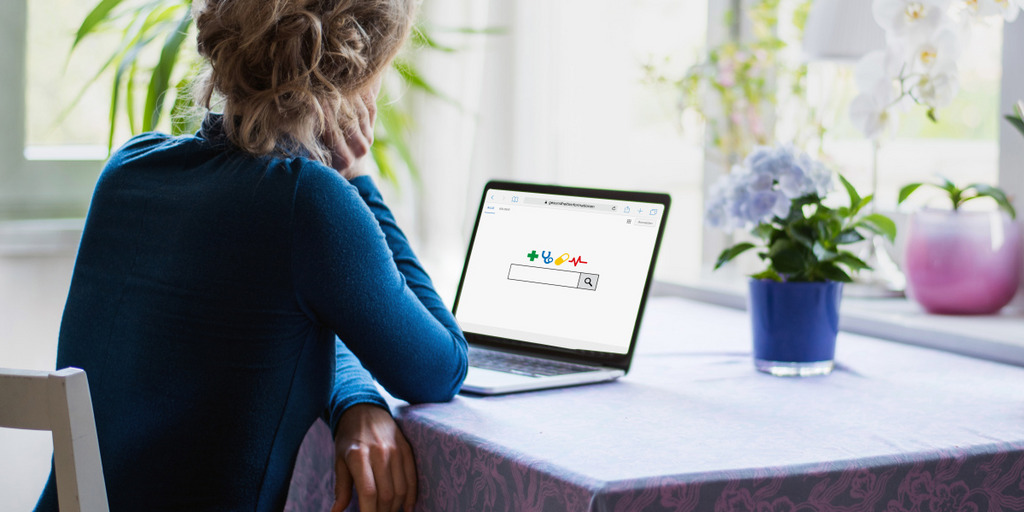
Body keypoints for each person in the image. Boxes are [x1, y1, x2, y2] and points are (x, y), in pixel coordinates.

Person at [34, 0, 468, 510]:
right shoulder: (309, 203)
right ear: (360, 74)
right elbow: (442, 368)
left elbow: (285, 318)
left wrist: (355, 397)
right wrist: (357, 182)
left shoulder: (127, 171)